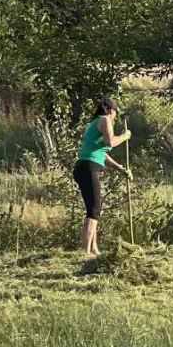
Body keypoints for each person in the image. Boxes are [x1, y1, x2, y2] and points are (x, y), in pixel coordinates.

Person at [74, 98, 130, 258]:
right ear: (111, 110)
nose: (115, 117)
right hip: (88, 167)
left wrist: (120, 168)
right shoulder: (105, 120)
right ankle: (86, 252)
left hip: (85, 166)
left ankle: (94, 249)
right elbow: (110, 142)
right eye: (115, 113)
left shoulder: (95, 123)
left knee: (94, 209)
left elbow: (102, 153)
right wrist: (125, 136)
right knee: (94, 210)